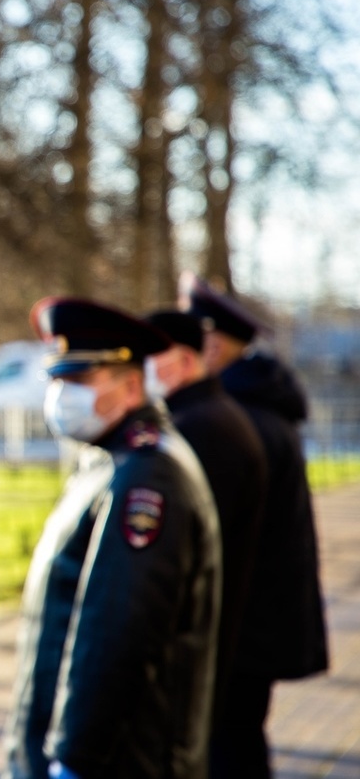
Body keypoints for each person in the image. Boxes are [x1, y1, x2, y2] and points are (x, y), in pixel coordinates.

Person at [4, 297, 221, 779]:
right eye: (58, 379)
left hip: (118, 760)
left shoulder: (147, 475)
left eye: (78, 380)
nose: (62, 393)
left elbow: (116, 633)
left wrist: (72, 759)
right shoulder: (113, 458)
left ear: (129, 384)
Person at [180, 273, 329, 779]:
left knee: (230, 746)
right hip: (258, 621)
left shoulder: (236, 418)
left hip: (243, 623)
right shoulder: (257, 404)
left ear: (215, 345)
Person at [143, 310, 268, 739]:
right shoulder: (208, 416)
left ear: (180, 361)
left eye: (150, 358)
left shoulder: (201, 429)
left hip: (214, 644)